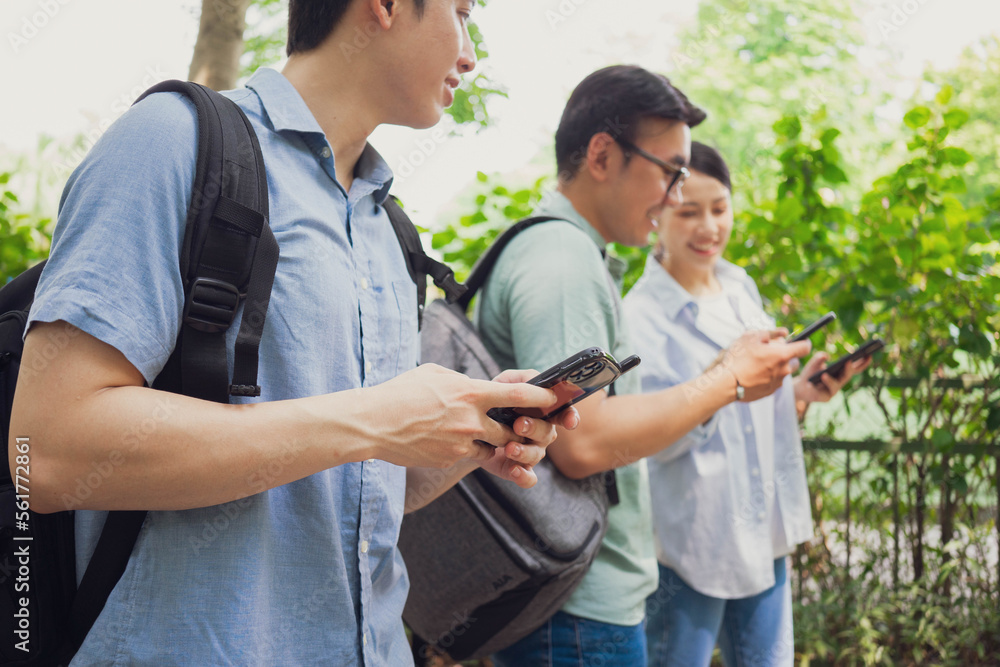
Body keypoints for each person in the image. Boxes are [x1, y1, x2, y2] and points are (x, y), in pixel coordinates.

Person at [10, 1, 577, 664]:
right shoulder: (169, 141)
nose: (471, 53)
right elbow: (43, 452)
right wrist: (372, 417)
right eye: (460, 12)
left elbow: (360, 487)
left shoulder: (390, 231)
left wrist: (466, 434)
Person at [476, 65, 812, 666]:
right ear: (602, 155)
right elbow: (585, 444)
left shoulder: (574, 254)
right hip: (577, 612)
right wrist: (727, 379)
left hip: (580, 605)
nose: (677, 196)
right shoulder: (563, 260)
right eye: (671, 172)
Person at [623, 142, 872, 667]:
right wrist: (721, 383)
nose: (709, 227)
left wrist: (800, 394)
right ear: (656, 212)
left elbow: (754, 407)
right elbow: (646, 440)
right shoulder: (640, 317)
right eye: (689, 212)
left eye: (720, 208)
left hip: (765, 529)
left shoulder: (739, 286)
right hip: (691, 543)